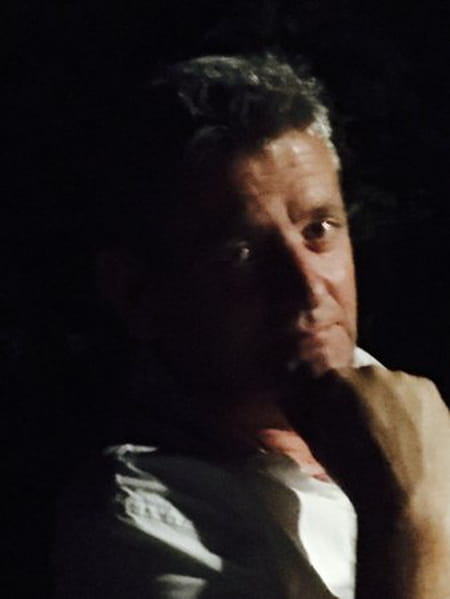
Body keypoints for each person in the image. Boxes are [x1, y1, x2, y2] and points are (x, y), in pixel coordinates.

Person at [53, 54, 450, 599]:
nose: (307, 287)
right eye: (239, 253)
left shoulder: (409, 406)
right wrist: (408, 516)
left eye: (319, 229)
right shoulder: (139, 526)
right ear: (137, 293)